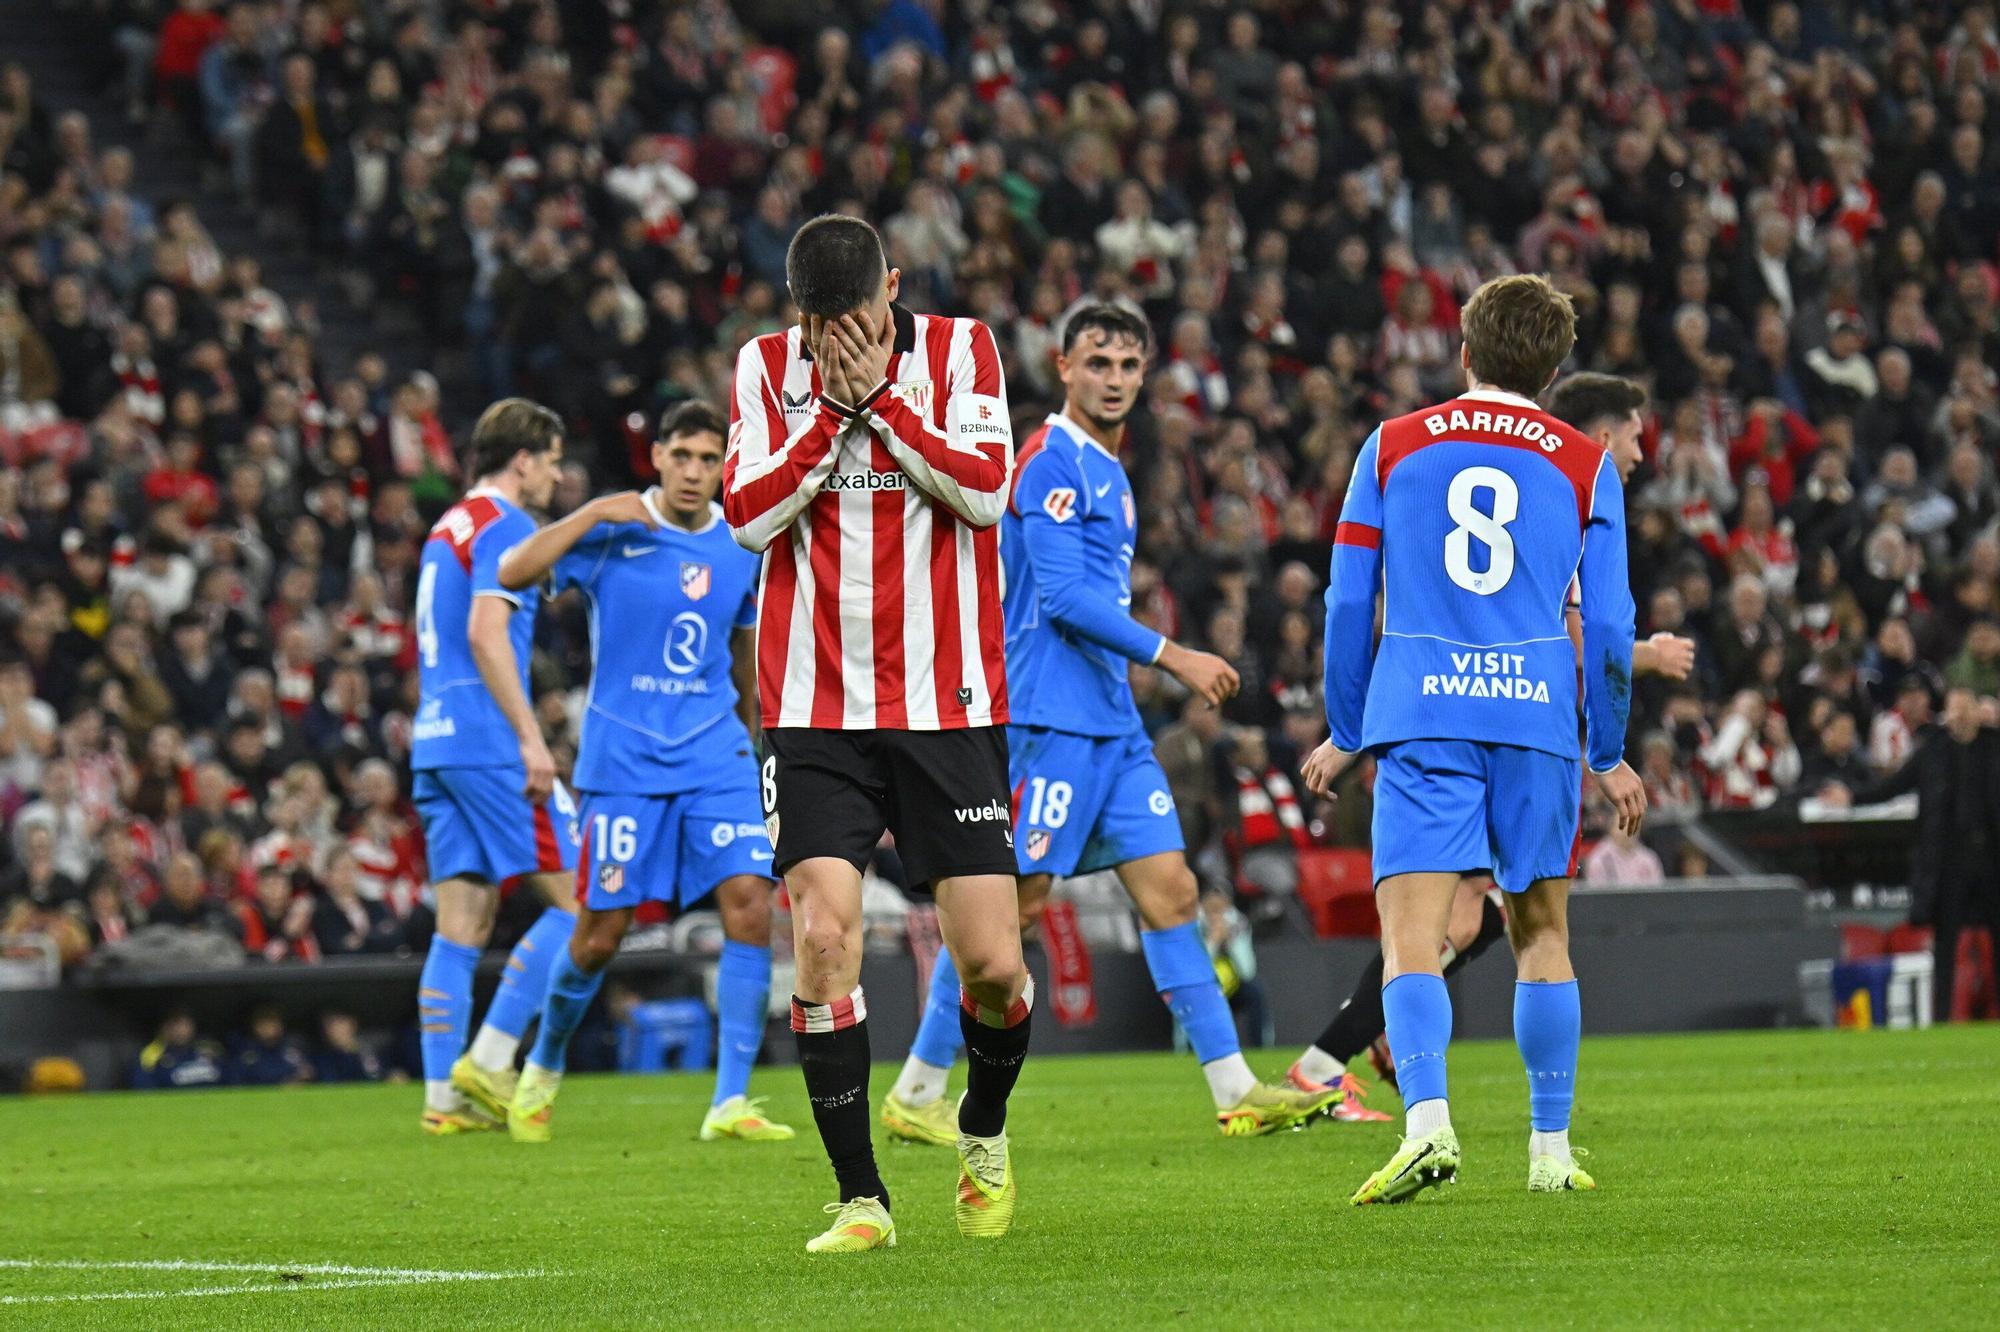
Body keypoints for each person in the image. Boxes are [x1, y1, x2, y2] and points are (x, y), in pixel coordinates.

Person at [881, 303, 1336, 1143]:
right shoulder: (1049, 462)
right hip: (1048, 718)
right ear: (1063, 367)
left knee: (1173, 892)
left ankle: (1234, 1086)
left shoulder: (1111, 474)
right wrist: (1177, 655)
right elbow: (1061, 599)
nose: (1115, 380)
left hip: (1111, 724)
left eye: (1129, 365)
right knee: (1011, 910)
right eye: (1099, 363)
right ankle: (915, 1093)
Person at [724, 214, 1029, 1253]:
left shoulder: (960, 351)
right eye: (815, 324)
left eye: (850, 321)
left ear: (892, 289)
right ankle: (862, 1199)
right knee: (820, 940)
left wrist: (881, 403)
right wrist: (827, 419)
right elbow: (745, 518)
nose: (830, 343)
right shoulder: (766, 369)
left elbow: (986, 493)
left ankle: (980, 1131)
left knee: (992, 966)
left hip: (948, 706)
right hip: (813, 709)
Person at [1302, 274, 1643, 1203]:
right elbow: (1610, 624)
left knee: (1413, 937)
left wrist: (1347, 724)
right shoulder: (1585, 462)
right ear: (1554, 368)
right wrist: (1603, 748)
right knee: (1541, 934)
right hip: (1533, 714)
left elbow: (1345, 599)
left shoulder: (1393, 444)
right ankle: (1549, 1151)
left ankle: (1427, 1126)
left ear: (1464, 354)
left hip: (1423, 711)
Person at [1288, 371, 1694, 1119]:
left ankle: (1355, 1062)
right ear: (1600, 436)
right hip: (1511, 725)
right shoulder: (1563, 487)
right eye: (1634, 434)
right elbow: (1573, 630)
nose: (1642, 449)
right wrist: (1638, 669)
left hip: (1444, 713)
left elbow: (1359, 596)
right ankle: (1337, 1061)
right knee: (1473, 925)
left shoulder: (1417, 454)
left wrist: (1353, 731)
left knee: (1456, 923)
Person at [496, 402, 794, 1145]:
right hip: (624, 760)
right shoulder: (615, 533)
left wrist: (760, 747)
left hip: (714, 752)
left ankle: (730, 1100)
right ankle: (544, 1065)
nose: (695, 471)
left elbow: (747, 652)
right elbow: (513, 569)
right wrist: (592, 512)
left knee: (751, 903)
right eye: (682, 456)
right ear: (656, 457)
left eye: (708, 458)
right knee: (600, 934)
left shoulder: (740, 541)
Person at [407, 399, 581, 1135]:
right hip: (488, 740)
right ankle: (489, 1057)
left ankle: (444, 1102)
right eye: (550, 458)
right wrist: (530, 737)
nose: (556, 473)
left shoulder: (448, 525)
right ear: (522, 459)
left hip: (436, 737)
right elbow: (486, 632)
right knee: (586, 901)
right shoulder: (508, 525)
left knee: (462, 922)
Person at [1821, 686, 2000, 1019]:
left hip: (1992, 859)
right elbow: (1893, 786)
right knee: (1945, 942)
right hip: (1950, 862)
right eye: (1953, 711)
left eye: (1965, 710)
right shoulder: (1933, 752)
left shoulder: (1993, 747)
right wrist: (1853, 798)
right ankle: (1943, 1015)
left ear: (1978, 711)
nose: (1958, 718)